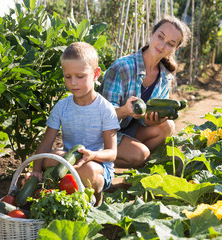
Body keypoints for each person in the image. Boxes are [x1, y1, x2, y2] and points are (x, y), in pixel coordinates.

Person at [25, 42, 120, 206]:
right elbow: (45, 144)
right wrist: (35, 171)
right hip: (68, 159)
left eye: (80, 76)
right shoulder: (62, 107)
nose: (73, 83)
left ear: (96, 74)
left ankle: (95, 194)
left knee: (89, 171)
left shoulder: (105, 109)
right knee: (49, 158)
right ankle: (65, 188)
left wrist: (92, 155)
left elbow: (112, 154)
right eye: (68, 77)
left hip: (96, 165)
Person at [99, 15, 191, 169]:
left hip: (127, 130)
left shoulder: (164, 77)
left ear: (175, 49)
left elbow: (144, 120)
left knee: (168, 126)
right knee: (140, 154)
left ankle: (137, 164)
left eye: (170, 44)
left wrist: (151, 120)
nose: (162, 45)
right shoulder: (123, 68)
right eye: (160, 36)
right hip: (103, 133)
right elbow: (102, 117)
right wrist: (125, 110)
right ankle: (96, 159)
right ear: (152, 33)